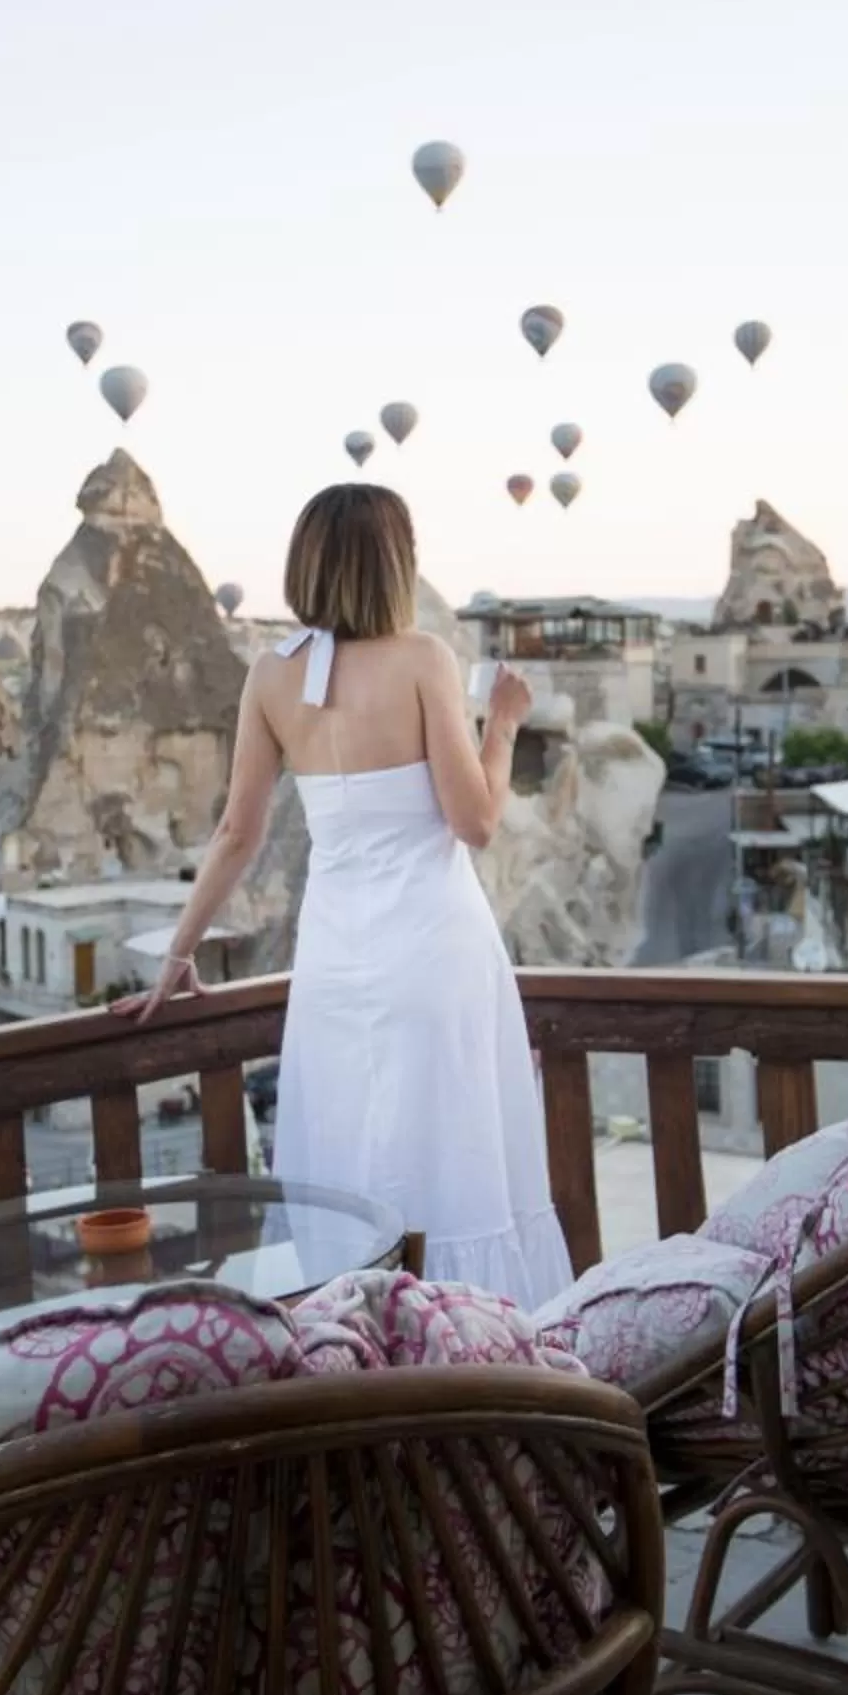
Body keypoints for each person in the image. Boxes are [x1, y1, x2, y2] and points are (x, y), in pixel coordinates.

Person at [119, 483, 574, 1308]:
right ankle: (475, 1360)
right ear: (394, 564)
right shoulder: (424, 660)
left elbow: (235, 835)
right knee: (455, 1167)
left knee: (350, 1166)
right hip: (436, 954)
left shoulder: (270, 675)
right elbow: (474, 821)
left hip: (333, 968)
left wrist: (177, 955)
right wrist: (502, 726)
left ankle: (354, 1366)